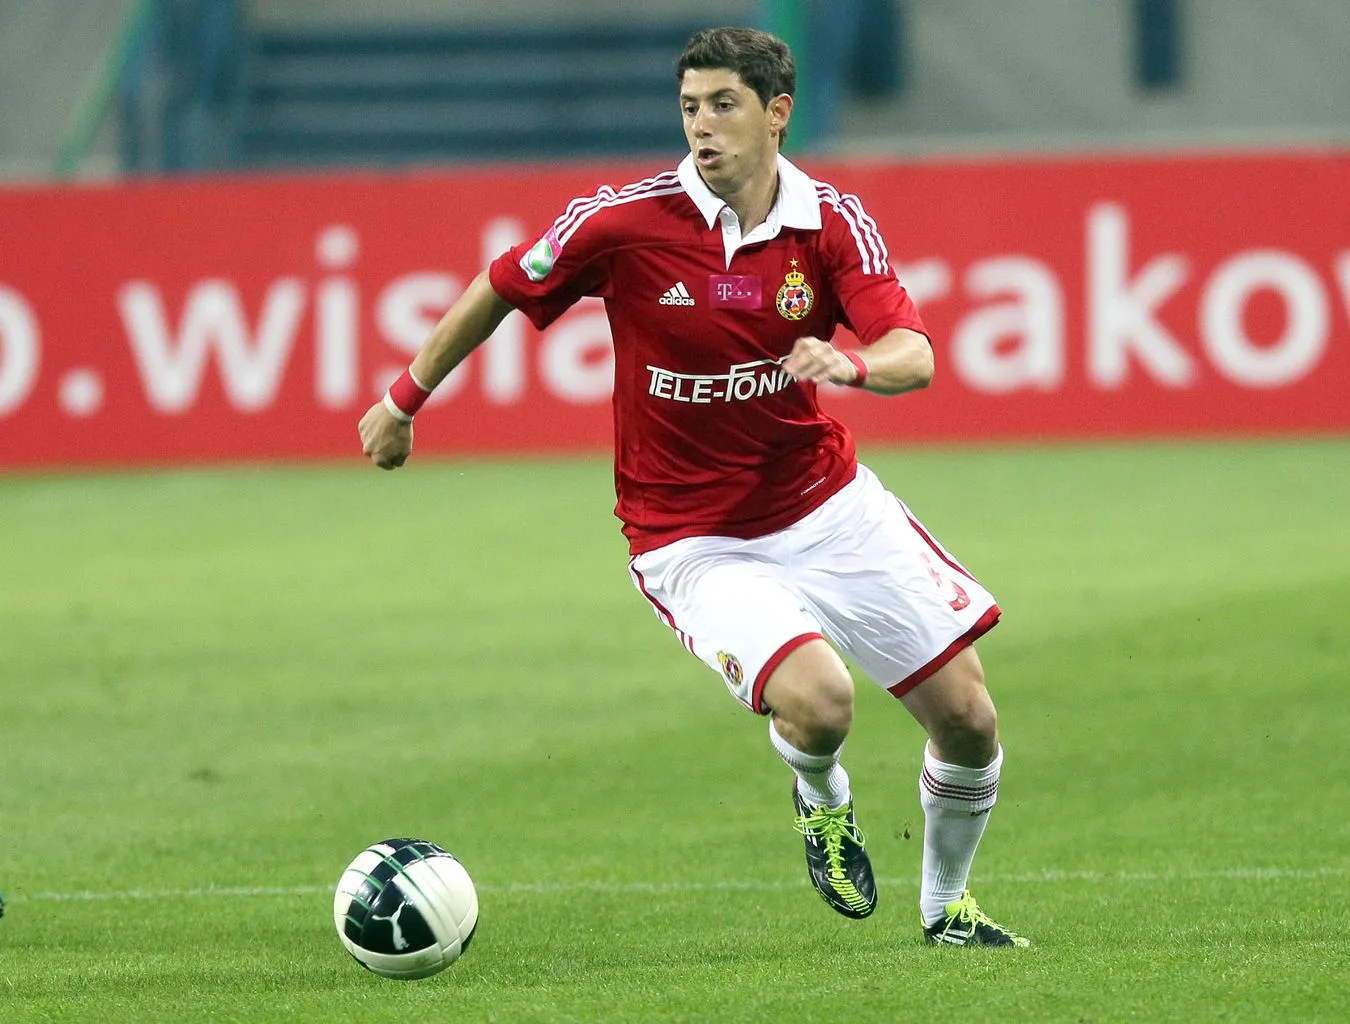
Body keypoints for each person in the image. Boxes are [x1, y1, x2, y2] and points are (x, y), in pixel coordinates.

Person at [359, 26, 1029, 948]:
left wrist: (851, 364)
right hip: (691, 537)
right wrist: (402, 400)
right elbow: (503, 283)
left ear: (777, 113)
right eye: (689, 107)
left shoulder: (831, 222)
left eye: (723, 105)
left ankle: (946, 908)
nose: (702, 126)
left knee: (969, 719)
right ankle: (821, 797)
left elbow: (914, 354)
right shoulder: (623, 221)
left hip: (826, 505)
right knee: (822, 703)